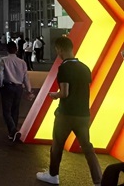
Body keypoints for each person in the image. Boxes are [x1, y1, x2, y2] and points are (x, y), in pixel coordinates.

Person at [36, 36, 102, 186]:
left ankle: (53, 175)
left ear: (60, 49)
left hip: (66, 114)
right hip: (83, 114)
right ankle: (98, 180)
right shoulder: (84, 67)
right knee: (87, 147)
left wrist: (55, 95)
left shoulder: (64, 68)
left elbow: (65, 92)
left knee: (57, 145)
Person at [0, 41, 34, 142]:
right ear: (16, 50)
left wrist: (0, 84)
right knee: (15, 110)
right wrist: (29, 90)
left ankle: (13, 130)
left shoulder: (3, 60)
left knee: (6, 111)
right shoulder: (22, 62)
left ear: (7, 50)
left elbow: (0, 73)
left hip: (7, 86)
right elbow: (26, 77)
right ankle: (12, 133)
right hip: (19, 88)